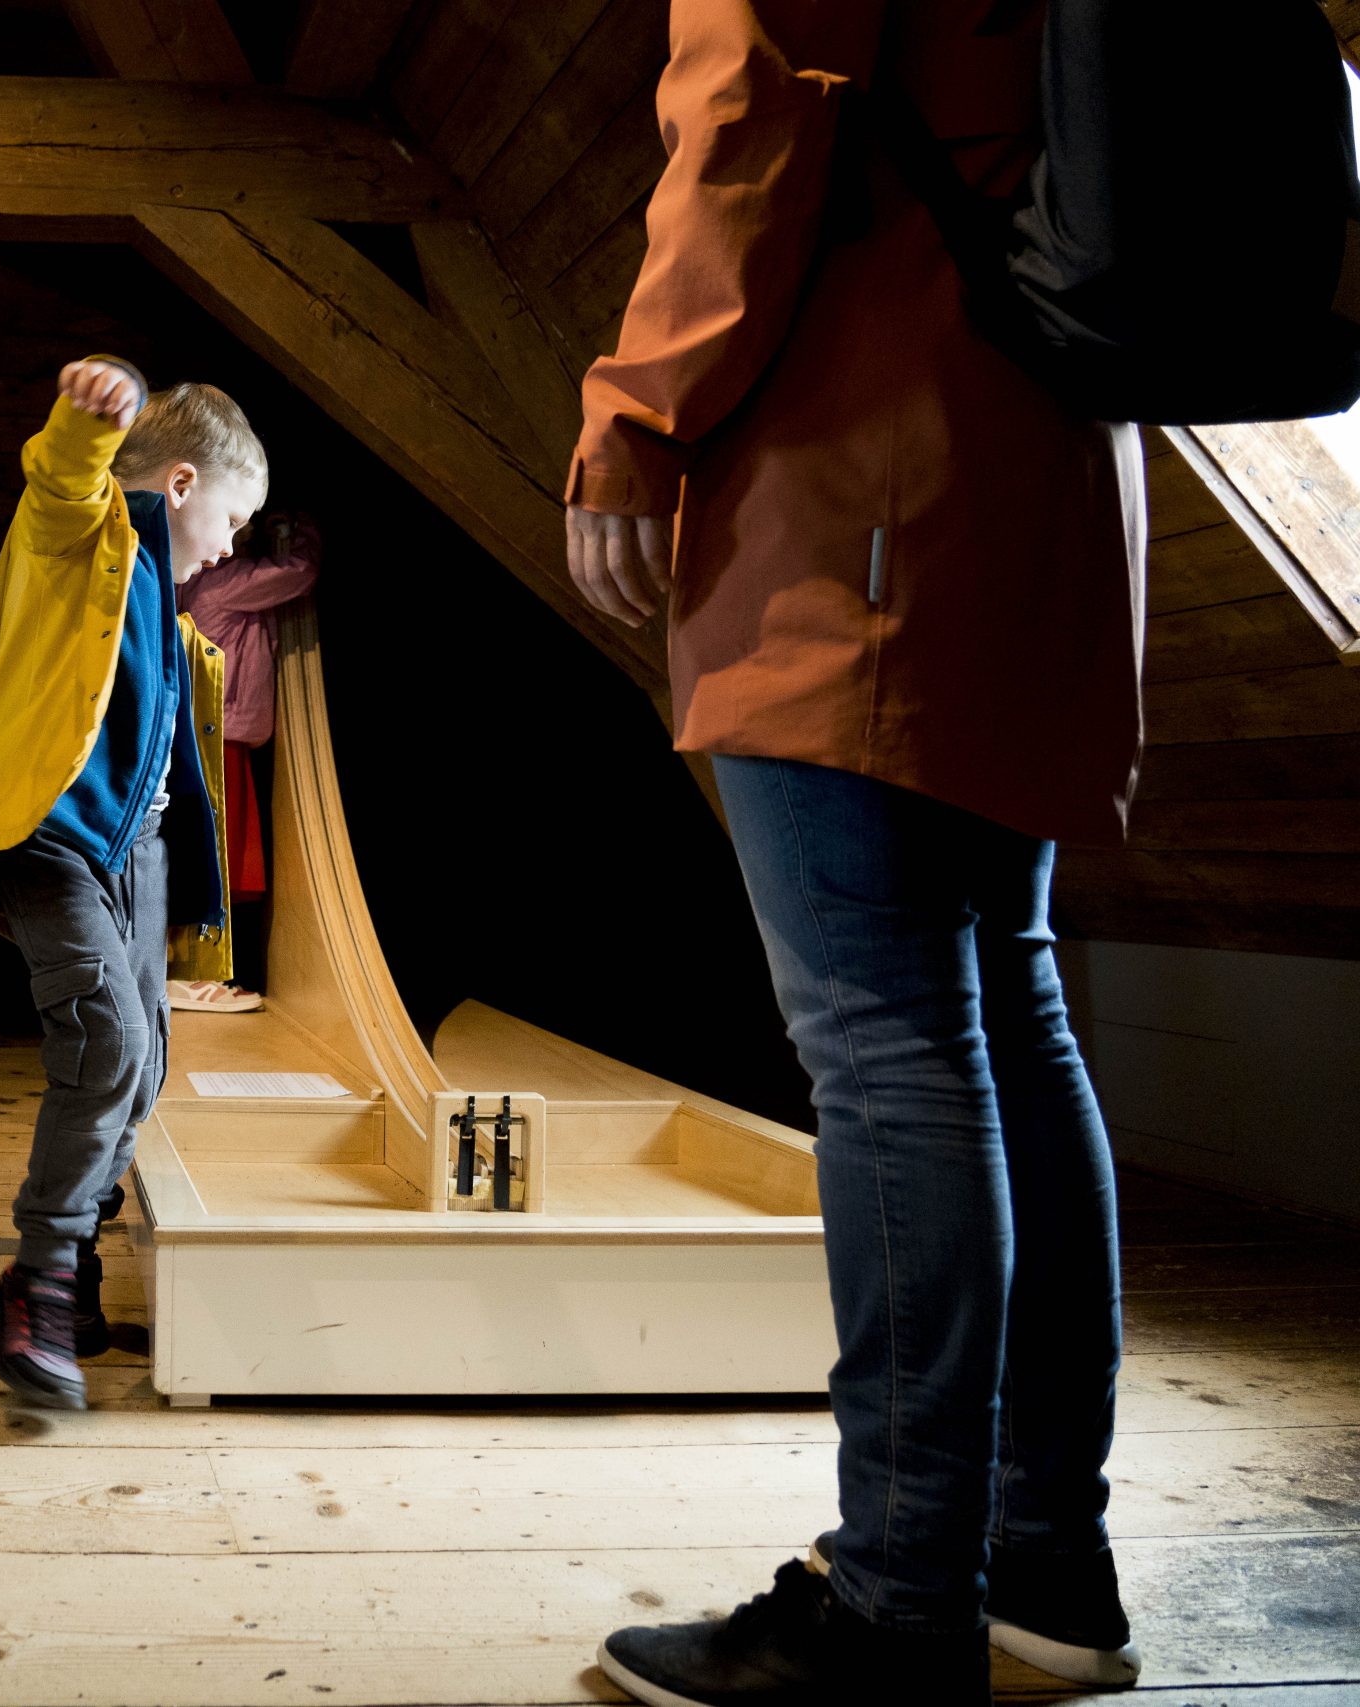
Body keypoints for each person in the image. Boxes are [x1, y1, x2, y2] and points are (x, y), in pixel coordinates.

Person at [563, 3, 1145, 1703]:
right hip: (1037, 463)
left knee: (889, 1042)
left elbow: (750, 115)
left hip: (860, 475)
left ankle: (900, 1604)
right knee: (1007, 1013)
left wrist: (633, 411)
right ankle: (1049, 1574)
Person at [0, 358, 260, 1410]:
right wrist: (93, 418)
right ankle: (35, 1280)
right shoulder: (89, 548)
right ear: (177, 485)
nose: (233, 543)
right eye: (232, 515)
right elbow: (60, 483)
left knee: (145, 1063)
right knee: (105, 1045)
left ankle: (66, 1275)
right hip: (49, 838)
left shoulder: (173, 630)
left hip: (133, 856)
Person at [173, 511, 320, 1012]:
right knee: (219, 858)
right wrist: (303, 531)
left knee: (221, 856)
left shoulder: (202, 582)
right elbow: (297, 573)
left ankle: (202, 971)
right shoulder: (223, 582)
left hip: (223, 732)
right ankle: (201, 973)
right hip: (223, 734)